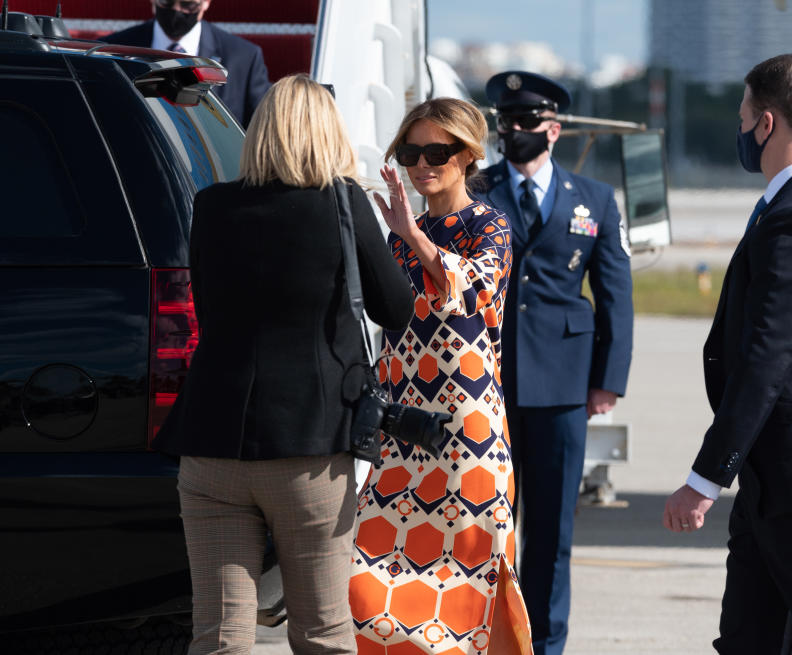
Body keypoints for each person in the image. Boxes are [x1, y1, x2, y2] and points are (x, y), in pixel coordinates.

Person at [154, 74, 413, 655]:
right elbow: (395, 307)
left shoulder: (212, 206)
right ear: (328, 134)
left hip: (212, 444)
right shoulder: (344, 204)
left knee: (220, 635)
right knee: (322, 633)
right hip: (310, 451)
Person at [349, 97, 532, 654]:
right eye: (411, 151)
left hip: (467, 438)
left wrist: (413, 236)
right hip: (402, 433)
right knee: (365, 582)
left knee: (468, 591)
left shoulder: (490, 225)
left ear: (468, 155)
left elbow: (471, 294)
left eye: (437, 151)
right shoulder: (401, 235)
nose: (422, 164)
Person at [479, 71, 634, 655]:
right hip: (484, 385)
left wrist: (607, 382)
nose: (514, 132)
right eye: (506, 122)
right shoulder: (476, 188)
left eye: (525, 123)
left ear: (554, 130)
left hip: (563, 387)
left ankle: (544, 644)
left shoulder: (593, 200)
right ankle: (484, 637)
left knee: (550, 533)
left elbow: (616, 294)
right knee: (487, 527)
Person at [663, 53, 792, 654]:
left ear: (766, 123)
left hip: (784, 480)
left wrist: (706, 478)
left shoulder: (787, 220)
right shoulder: (776, 207)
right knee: (745, 637)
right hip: (765, 480)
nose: (739, 130)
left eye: (743, 116)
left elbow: (767, 357)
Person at [101, 0, 271, 126]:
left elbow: (259, 129)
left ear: (206, 3)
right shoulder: (113, 50)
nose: (176, 11)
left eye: (188, 5)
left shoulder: (243, 57)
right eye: (167, 3)